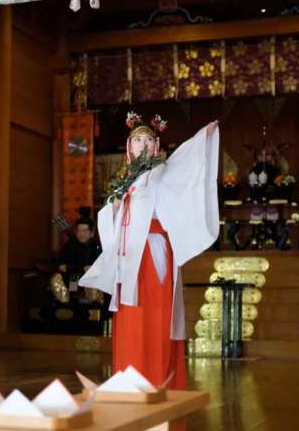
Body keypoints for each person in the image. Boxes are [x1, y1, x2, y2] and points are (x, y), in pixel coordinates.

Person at [80, 112, 219, 390]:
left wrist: (204, 137)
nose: (142, 144)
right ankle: (130, 382)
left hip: (154, 251)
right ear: (129, 146)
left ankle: (158, 381)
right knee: (131, 318)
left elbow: (187, 161)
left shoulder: (163, 174)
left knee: (155, 316)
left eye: (147, 139)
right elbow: (109, 217)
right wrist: (115, 207)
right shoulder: (123, 180)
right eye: (136, 140)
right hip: (129, 254)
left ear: (156, 146)